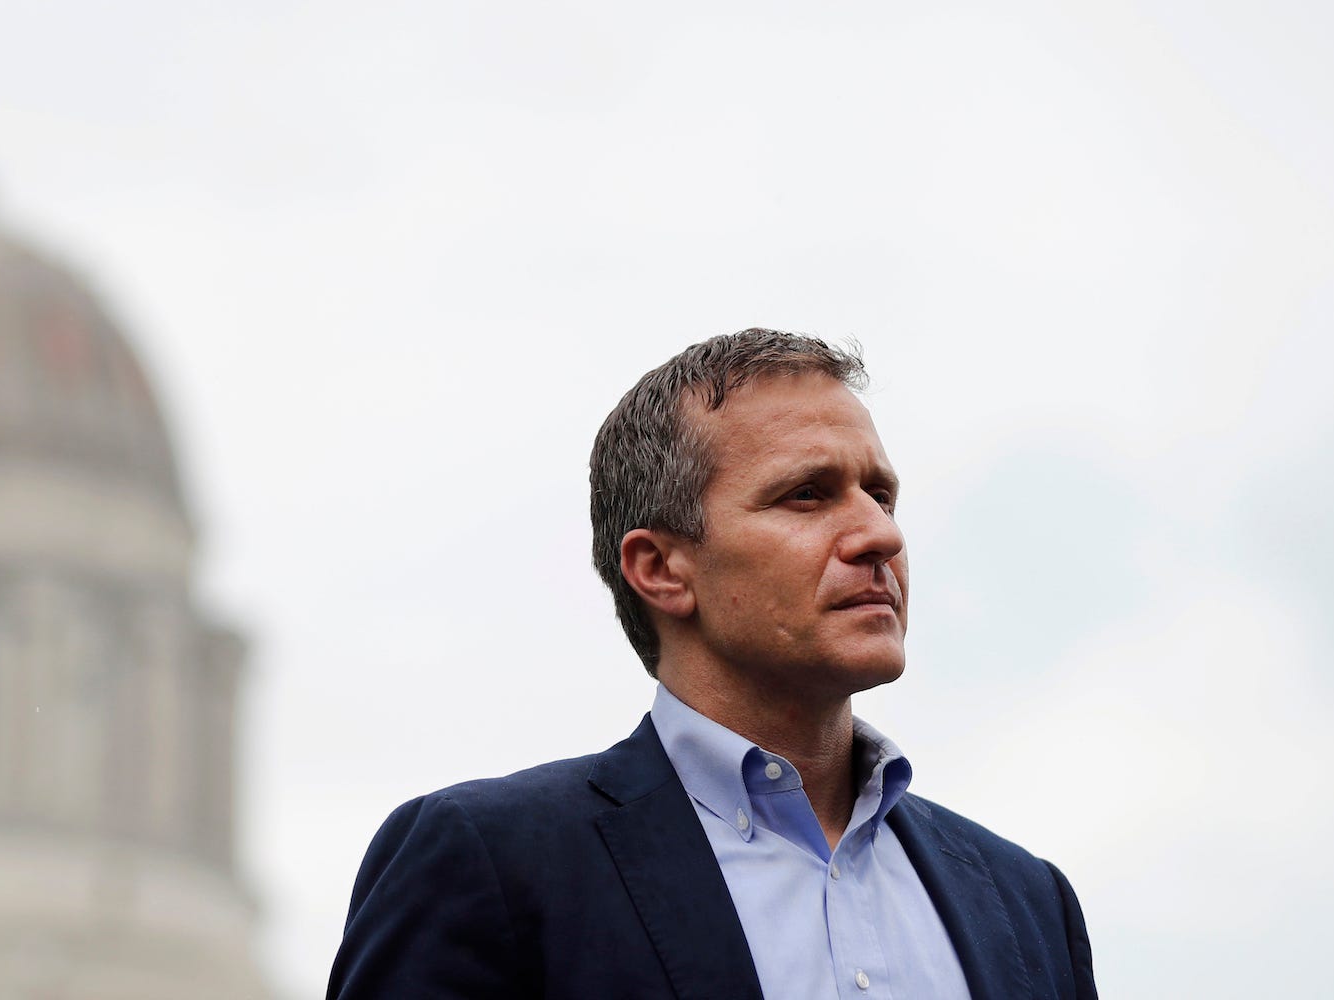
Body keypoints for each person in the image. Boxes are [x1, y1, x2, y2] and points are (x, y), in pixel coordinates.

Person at [326, 329, 1097, 999]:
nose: (878, 536)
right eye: (806, 495)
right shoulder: (490, 861)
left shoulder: (1030, 902)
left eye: (882, 495)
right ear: (662, 568)